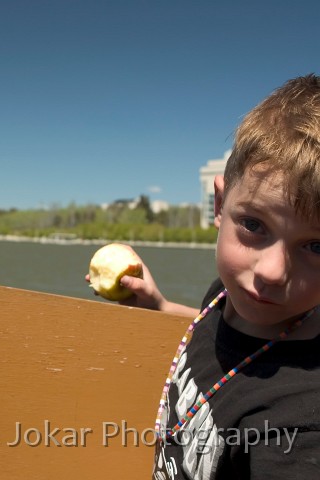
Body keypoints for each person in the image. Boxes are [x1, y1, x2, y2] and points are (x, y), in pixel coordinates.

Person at [97, 75, 320, 478]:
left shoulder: (300, 422)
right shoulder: (227, 298)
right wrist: (159, 304)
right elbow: (211, 328)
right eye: (254, 225)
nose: (271, 272)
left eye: (315, 247)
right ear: (220, 203)